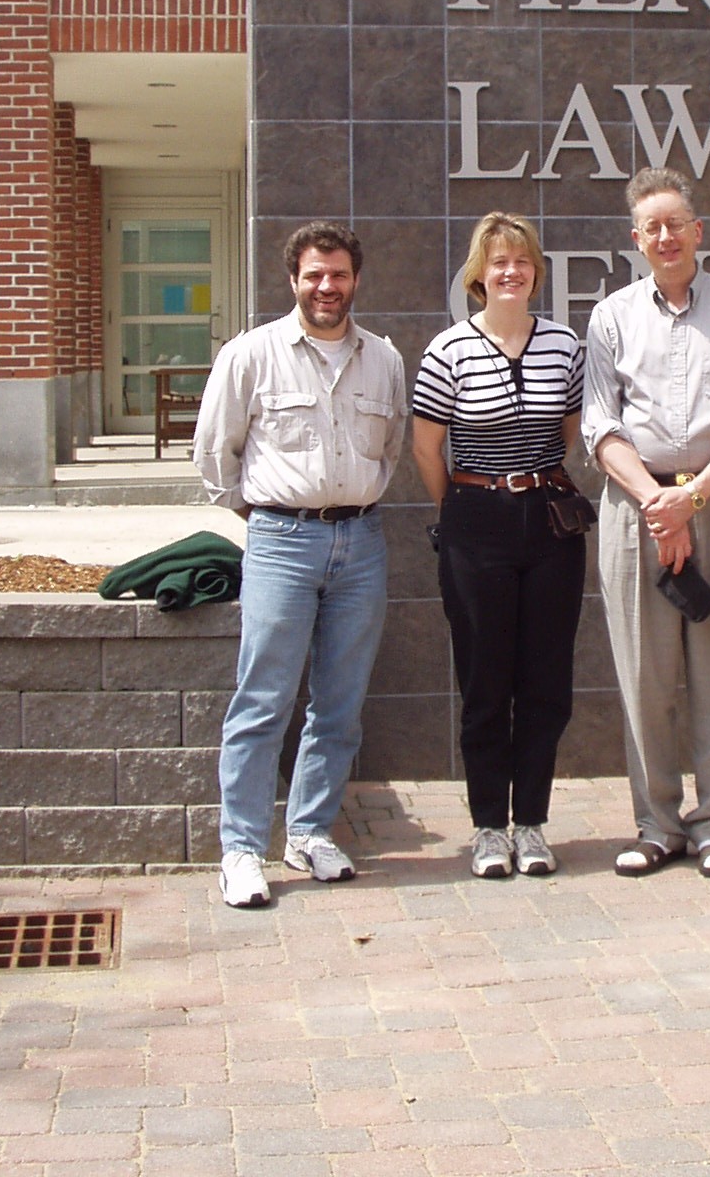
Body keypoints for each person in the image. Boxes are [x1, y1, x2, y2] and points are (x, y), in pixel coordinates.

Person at [193, 221, 406, 909]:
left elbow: (391, 449)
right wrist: (266, 519)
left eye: (338, 274)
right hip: (281, 541)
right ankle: (242, 850)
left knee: (339, 705)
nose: (326, 287)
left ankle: (311, 831)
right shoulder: (251, 355)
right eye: (314, 274)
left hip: (361, 544)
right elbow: (214, 455)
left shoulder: (384, 360)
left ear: (355, 280)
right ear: (293, 280)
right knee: (263, 701)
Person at [582, 168, 710, 879]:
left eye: (676, 223)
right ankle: (657, 824)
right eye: (651, 227)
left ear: (698, 232)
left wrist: (688, 501)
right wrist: (657, 506)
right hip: (633, 511)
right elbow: (601, 425)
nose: (664, 236)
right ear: (636, 239)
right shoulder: (610, 318)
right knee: (644, 673)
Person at [411, 213, 587, 880]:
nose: (509, 271)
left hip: (548, 523)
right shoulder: (448, 350)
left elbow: (571, 432)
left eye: (521, 260)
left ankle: (532, 824)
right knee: (485, 680)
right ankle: (489, 827)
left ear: (535, 271)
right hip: (473, 519)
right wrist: (459, 508)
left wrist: (531, 486)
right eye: (497, 261)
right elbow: (426, 447)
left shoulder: (565, 346)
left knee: (545, 680)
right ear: (477, 276)